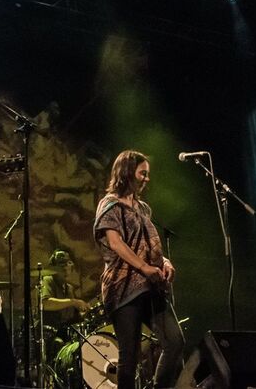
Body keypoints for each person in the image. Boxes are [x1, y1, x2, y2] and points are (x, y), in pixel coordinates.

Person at [93, 150, 184, 389]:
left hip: (151, 286)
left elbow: (148, 246)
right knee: (129, 356)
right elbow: (116, 243)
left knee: (175, 341)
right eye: (143, 173)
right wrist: (144, 267)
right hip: (123, 288)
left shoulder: (143, 209)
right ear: (127, 172)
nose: (147, 178)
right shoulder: (109, 204)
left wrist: (165, 263)